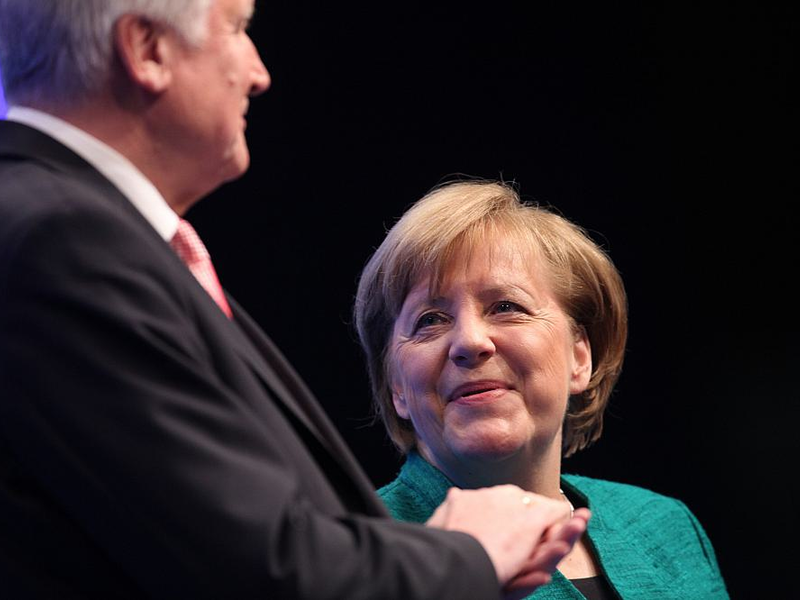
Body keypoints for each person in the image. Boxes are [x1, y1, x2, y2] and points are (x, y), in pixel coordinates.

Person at [0, 2, 592, 598]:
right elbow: (252, 569)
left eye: (506, 307)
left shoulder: (73, 231)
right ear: (147, 49)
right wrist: (467, 556)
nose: (258, 73)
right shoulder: (59, 238)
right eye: (236, 29)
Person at [353, 180, 729, 599]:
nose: (470, 342)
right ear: (396, 386)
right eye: (430, 320)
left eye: (506, 307)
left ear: (580, 357)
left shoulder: (666, 527)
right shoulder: (356, 563)